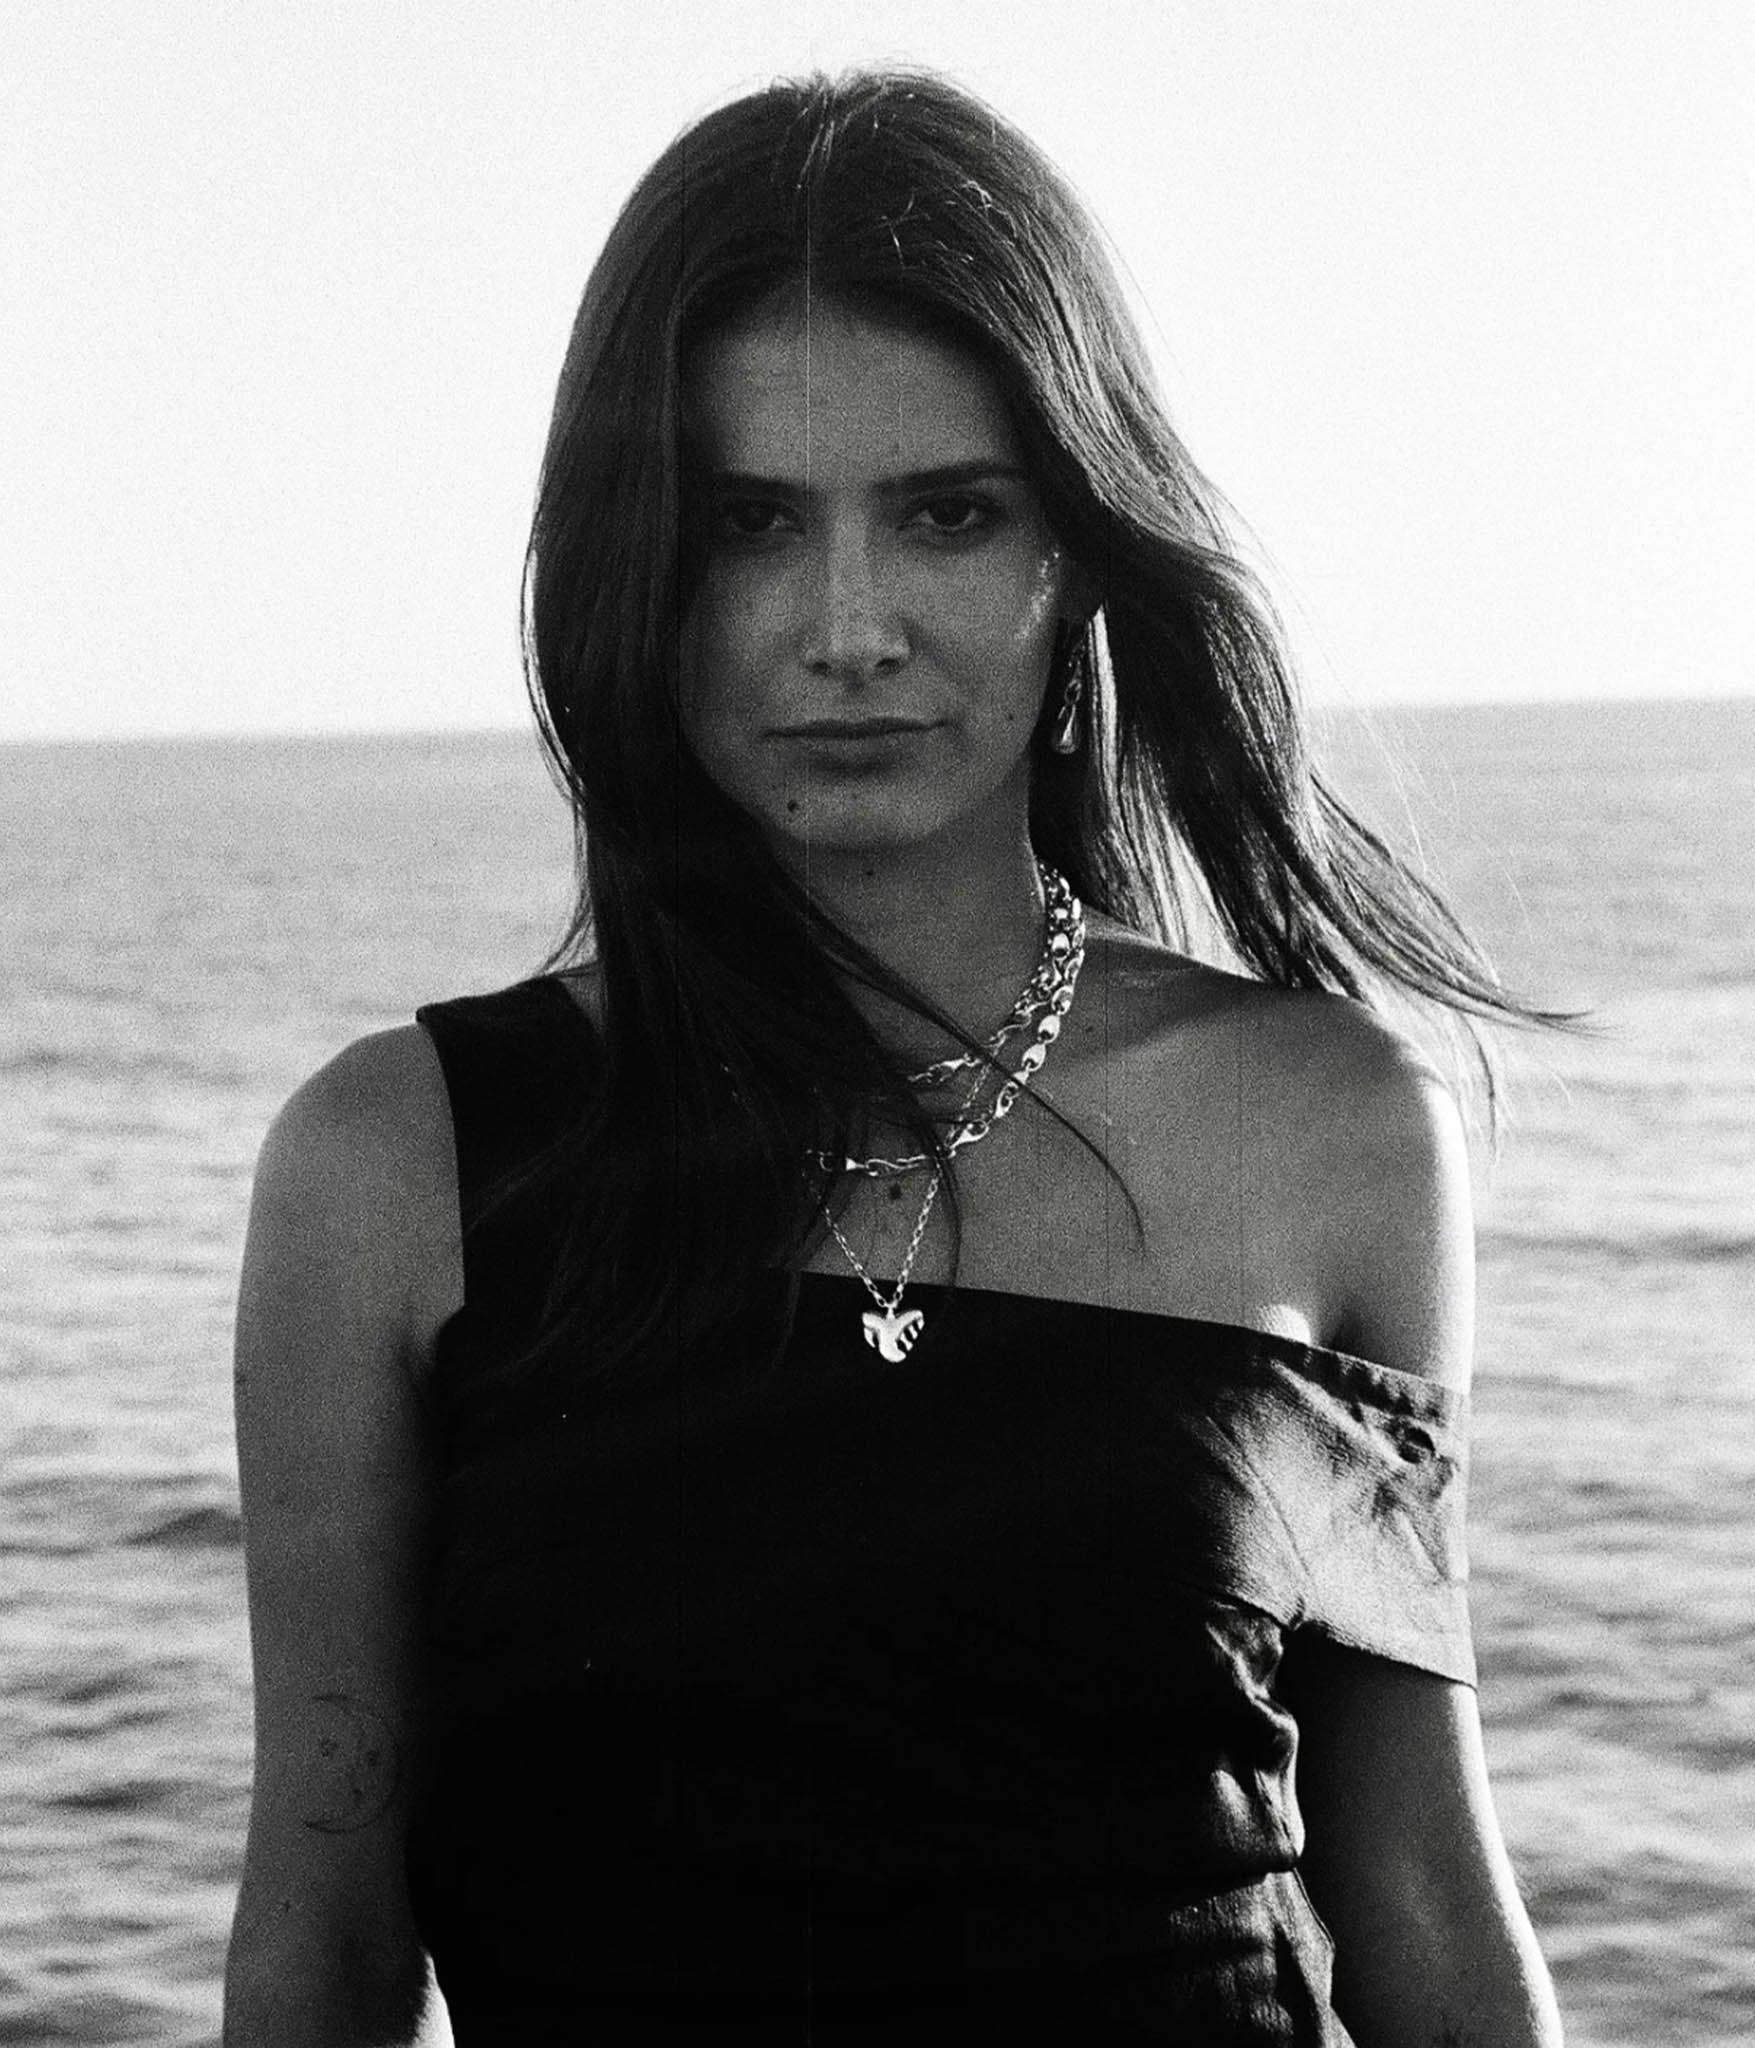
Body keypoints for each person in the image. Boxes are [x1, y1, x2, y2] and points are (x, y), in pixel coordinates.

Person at [223, 66, 1568, 2047]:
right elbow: (323, 1948)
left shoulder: (1337, 1131)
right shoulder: (392, 1170)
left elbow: (1426, 1913)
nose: (846, 628)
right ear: (630, 571)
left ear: (1080, 553)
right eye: (748, 524)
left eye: (945, 514)